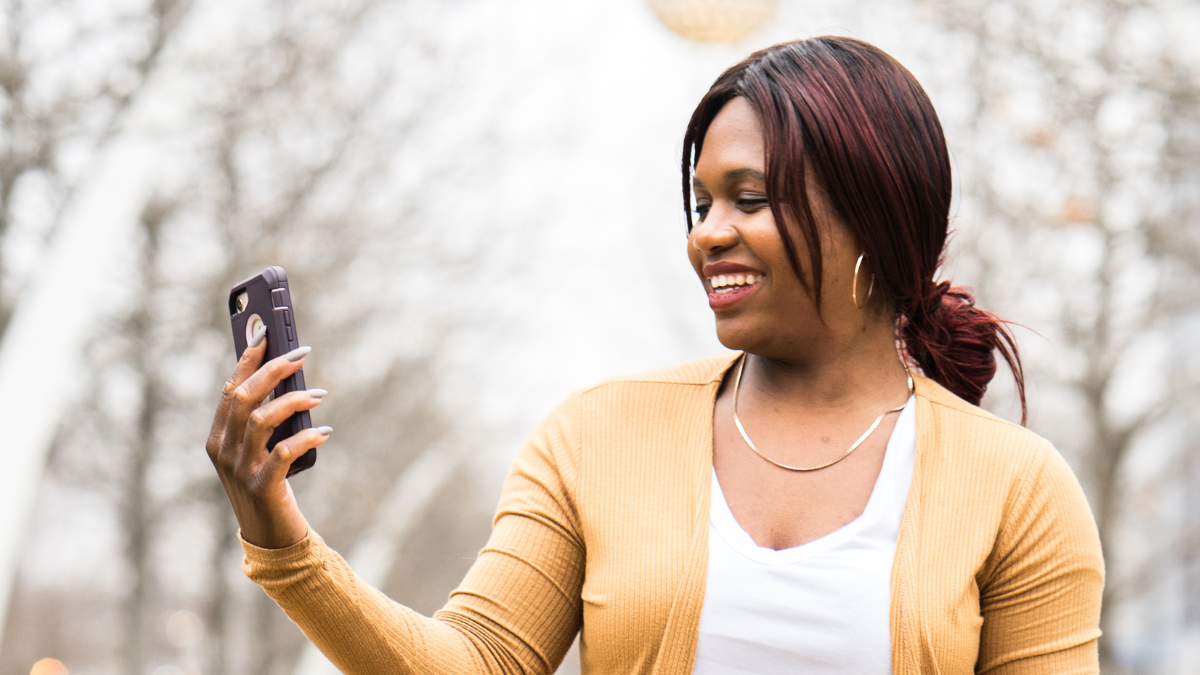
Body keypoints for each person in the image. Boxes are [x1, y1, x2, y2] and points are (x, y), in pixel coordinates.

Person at [206, 36, 1103, 674]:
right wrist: (281, 536)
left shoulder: (1017, 489)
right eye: (702, 202)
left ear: (874, 213)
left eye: (748, 197)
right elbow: (478, 662)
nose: (707, 235)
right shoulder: (598, 435)